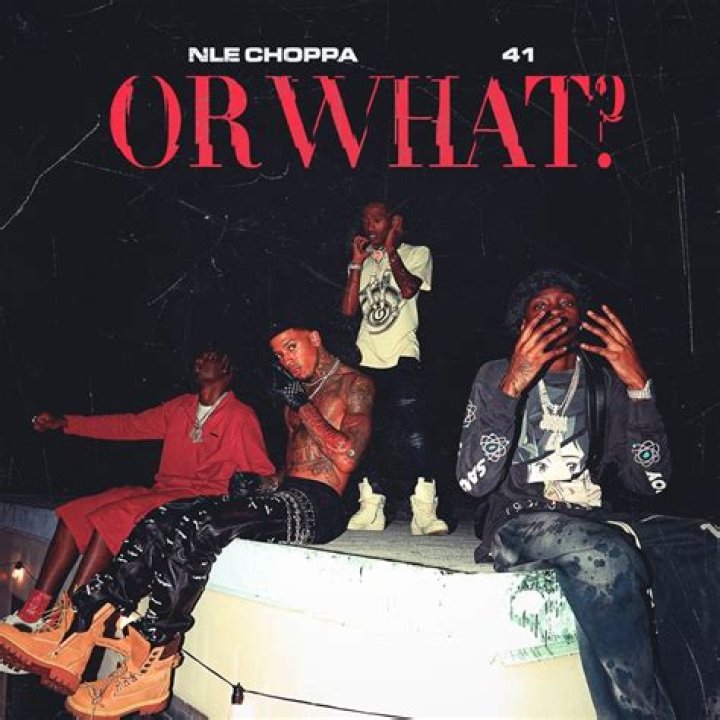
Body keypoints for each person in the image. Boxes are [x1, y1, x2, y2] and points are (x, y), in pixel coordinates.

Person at [0, 323, 373, 720]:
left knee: (200, 527)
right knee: (159, 519)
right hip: (284, 493)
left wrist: (300, 405)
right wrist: (261, 483)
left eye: (291, 347)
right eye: (279, 354)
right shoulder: (290, 400)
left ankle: (154, 660)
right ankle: (79, 625)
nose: (286, 360)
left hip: (320, 506)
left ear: (314, 338)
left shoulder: (354, 386)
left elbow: (345, 456)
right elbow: (293, 466)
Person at [457, 268, 719, 720]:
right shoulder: (494, 375)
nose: (555, 314)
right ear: (523, 324)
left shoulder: (603, 383)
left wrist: (639, 389)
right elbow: (472, 482)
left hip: (588, 517)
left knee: (704, 541)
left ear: (583, 320)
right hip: (518, 519)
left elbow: (651, 482)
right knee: (603, 555)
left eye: (566, 305)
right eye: (540, 307)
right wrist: (513, 385)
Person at [0, 348, 275, 665]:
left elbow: (262, 473)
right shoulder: (181, 407)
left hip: (196, 499)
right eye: (197, 357)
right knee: (76, 513)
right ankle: (33, 611)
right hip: (163, 490)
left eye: (208, 357)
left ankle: (70, 623)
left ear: (227, 366)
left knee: (114, 517)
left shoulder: (241, 416)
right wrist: (66, 423)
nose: (199, 361)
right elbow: (128, 425)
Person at [340, 201, 447, 535]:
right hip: (366, 358)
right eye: (366, 220)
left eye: (377, 219)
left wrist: (390, 250)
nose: (370, 225)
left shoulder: (417, 253)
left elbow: (409, 288)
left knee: (415, 432)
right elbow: (348, 310)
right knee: (367, 434)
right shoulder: (363, 262)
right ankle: (371, 506)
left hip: (402, 354)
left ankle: (424, 510)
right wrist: (356, 264)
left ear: (394, 222)